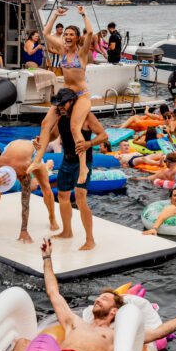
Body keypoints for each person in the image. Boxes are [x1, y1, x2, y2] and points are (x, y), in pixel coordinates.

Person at [0, 238, 176, 351]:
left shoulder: (119, 334)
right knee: (23, 343)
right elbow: (54, 293)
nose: (98, 299)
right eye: (99, 297)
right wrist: (47, 259)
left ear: (114, 311)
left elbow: (158, 333)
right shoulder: (74, 323)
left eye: (105, 299)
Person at [31, 88, 107, 250]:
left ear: (71, 102)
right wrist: (40, 140)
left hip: (83, 162)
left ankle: (90, 240)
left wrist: (88, 144)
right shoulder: (61, 118)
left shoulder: (86, 117)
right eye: (57, 105)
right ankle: (67, 231)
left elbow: (103, 136)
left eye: (62, 104)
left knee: (80, 199)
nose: (59, 107)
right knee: (63, 196)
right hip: (67, 160)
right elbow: (52, 136)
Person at [41, 6, 93, 184]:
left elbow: (91, 32)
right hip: (66, 96)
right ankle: (36, 160)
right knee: (46, 123)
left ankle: (83, 167)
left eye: (72, 34)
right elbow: (46, 33)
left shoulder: (82, 53)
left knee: (74, 129)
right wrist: (55, 15)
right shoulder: (62, 50)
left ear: (77, 37)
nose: (68, 37)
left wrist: (84, 14)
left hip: (81, 95)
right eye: (66, 35)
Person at [0, 139, 58, 242]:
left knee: (46, 188)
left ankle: (52, 218)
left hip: (31, 154)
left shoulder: (25, 170)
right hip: (11, 147)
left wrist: (24, 230)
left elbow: (25, 202)